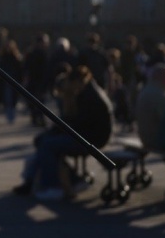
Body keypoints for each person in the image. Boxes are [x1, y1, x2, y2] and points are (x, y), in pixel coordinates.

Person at [12, 65, 113, 201]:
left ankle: (53, 186)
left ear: (78, 81)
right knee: (43, 141)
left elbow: (79, 122)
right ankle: (33, 181)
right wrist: (58, 129)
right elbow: (76, 122)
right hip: (87, 135)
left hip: (91, 140)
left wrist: (58, 129)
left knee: (47, 145)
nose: (73, 88)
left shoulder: (90, 96)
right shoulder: (88, 91)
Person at [135, 62, 165, 151]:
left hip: (145, 139)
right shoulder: (161, 95)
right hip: (157, 141)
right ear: (163, 77)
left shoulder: (145, 91)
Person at [23, 33, 50, 127]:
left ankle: (36, 118)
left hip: (33, 82)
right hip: (39, 82)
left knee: (34, 102)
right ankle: (40, 119)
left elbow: (25, 68)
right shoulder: (42, 53)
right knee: (40, 102)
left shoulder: (31, 53)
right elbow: (46, 70)